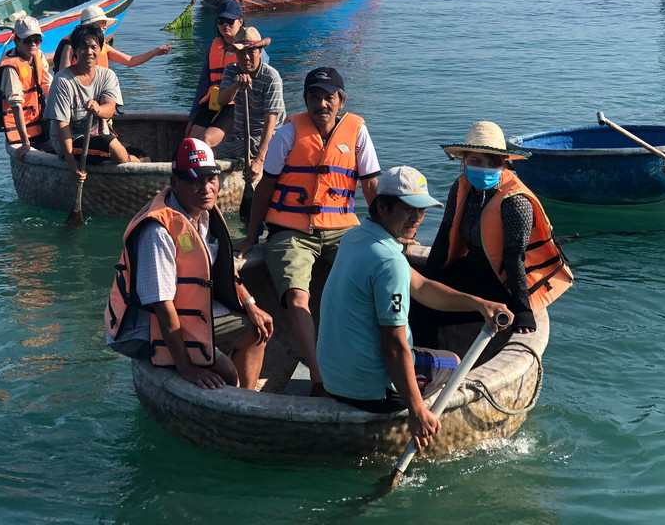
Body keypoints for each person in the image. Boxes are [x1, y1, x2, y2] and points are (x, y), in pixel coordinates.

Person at [317, 166, 510, 448]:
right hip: (372, 393)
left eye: (422, 210)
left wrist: (479, 303)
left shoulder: (355, 237)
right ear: (382, 207)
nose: (418, 218)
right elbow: (394, 345)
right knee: (453, 362)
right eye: (409, 209)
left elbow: (421, 287)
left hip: (334, 380)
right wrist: (417, 410)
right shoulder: (388, 262)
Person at [240, 66, 381, 394]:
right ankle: (319, 378)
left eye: (328, 97)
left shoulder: (357, 131)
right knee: (297, 295)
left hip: (341, 227)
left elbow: (372, 185)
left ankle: (371, 358)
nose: (321, 104)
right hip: (289, 230)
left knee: (375, 274)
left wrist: (385, 233)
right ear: (304, 100)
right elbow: (265, 189)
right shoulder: (288, 133)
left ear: (341, 100)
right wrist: (251, 236)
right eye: (314, 97)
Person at [105, 138, 274, 390]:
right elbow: (162, 306)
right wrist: (187, 368)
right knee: (227, 372)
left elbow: (221, 269)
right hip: (142, 328)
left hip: (186, 308)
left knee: (257, 330)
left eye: (211, 179)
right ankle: (231, 405)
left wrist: (250, 304)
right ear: (175, 183)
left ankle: (244, 398)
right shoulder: (158, 230)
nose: (205, 188)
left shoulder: (203, 214)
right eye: (195, 180)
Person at [414, 121, 574, 343]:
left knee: (431, 311)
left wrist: (523, 311)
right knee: (416, 302)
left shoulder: (515, 201)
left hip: (504, 284)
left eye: (493, 163)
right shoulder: (461, 187)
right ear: (464, 160)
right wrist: (429, 280)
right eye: (476, 161)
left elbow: (514, 258)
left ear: (503, 164)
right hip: (473, 270)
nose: (484, 168)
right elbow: (444, 235)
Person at [47, 23, 139, 183]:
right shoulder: (62, 80)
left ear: (100, 48)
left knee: (144, 154)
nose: (89, 52)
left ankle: (138, 161)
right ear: (75, 50)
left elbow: (110, 109)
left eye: (93, 47)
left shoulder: (107, 76)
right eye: (83, 47)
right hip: (72, 140)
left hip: (97, 137)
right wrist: (71, 164)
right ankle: (137, 164)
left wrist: (98, 109)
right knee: (114, 147)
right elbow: (62, 127)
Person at [206, 26, 285, 182]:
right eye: (241, 52)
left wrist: (260, 160)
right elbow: (221, 101)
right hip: (240, 136)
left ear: (260, 52)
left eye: (251, 52)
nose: (246, 58)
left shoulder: (270, 77)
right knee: (205, 149)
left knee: (208, 154)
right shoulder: (232, 70)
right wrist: (236, 86)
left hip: (265, 139)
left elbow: (270, 122)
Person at [186, 0, 263, 143]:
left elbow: (261, 84)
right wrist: (193, 117)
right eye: (221, 20)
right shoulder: (212, 48)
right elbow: (203, 85)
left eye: (229, 20)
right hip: (213, 102)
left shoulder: (253, 49)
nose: (225, 25)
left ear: (240, 22)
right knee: (191, 140)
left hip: (237, 105)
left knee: (206, 138)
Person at [0, 15, 52, 153]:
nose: (33, 44)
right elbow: (16, 106)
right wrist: (25, 142)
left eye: (37, 40)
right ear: (16, 41)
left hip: (40, 126)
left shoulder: (38, 56)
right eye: (28, 40)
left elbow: (48, 87)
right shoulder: (11, 68)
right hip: (22, 135)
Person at [53, 5, 173, 72]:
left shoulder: (104, 47)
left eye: (104, 23)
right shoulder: (71, 46)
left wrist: (155, 52)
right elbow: (64, 75)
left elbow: (131, 61)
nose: (104, 27)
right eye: (101, 23)